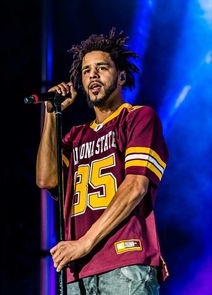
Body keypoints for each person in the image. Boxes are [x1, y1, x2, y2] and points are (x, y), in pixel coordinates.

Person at [36, 27, 169, 294]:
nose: (92, 74)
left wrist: (84, 242)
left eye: (101, 68)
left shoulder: (137, 118)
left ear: (121, 76)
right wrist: (52, 114)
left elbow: (135, 187)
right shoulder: (76, 137)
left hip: (125, 262)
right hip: (78, 269)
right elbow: (46, 179)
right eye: (86, 71)